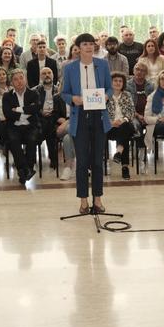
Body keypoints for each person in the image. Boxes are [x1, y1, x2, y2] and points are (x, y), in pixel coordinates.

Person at [61, 33, 113, 215]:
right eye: (85, 44)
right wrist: (73, 99)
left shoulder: (103, 64)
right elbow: (64, 93)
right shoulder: (70, 68)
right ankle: (83, 201)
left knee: (98, 161)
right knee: (82, 162)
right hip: (80, 116)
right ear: (78, 47)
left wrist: (106, 96)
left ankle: (97, 199)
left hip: (99, 115)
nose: (89, 47)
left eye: (91, 44)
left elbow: (110, 87)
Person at [2, 69, 40, 184]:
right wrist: (26, 113)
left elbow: (36, 109)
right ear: (12, 83)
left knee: (32, 140)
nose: (19, 81)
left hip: (30, 126)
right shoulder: (7, 96)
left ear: (25, 79)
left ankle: (24, 172)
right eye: (15, 79)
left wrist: (18, 110)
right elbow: (7, 113)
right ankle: (26, 170)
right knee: (13, 141)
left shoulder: (34, 93)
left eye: (21, 78)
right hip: (14, 126)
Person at [34, 67, 66, 171]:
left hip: (55, 119)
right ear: (40, 76)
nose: (47, 75)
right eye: (44, 73)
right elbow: (32, 108)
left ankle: (52, 158)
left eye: (49, 73)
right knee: (46, 127)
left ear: (53, 75)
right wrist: (41, 112)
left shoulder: (59, 90)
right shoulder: (35, 91)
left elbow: (62, 110)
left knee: (50, 126)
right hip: (40, 119)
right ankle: (52, 158)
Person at [106, 72, 136, 180]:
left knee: (125, 127)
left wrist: (123, 120)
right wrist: (111, 122)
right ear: (110, 82)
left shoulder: (127, 95)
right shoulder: (105, 95)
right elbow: (100, 112)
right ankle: (124, 167)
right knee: (124, 136)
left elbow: (132, 111)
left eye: (120, 81)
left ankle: (119, 152)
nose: (118, 83)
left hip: (125, 124)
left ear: (123, 83)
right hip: (110, 127)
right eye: (115, 80)